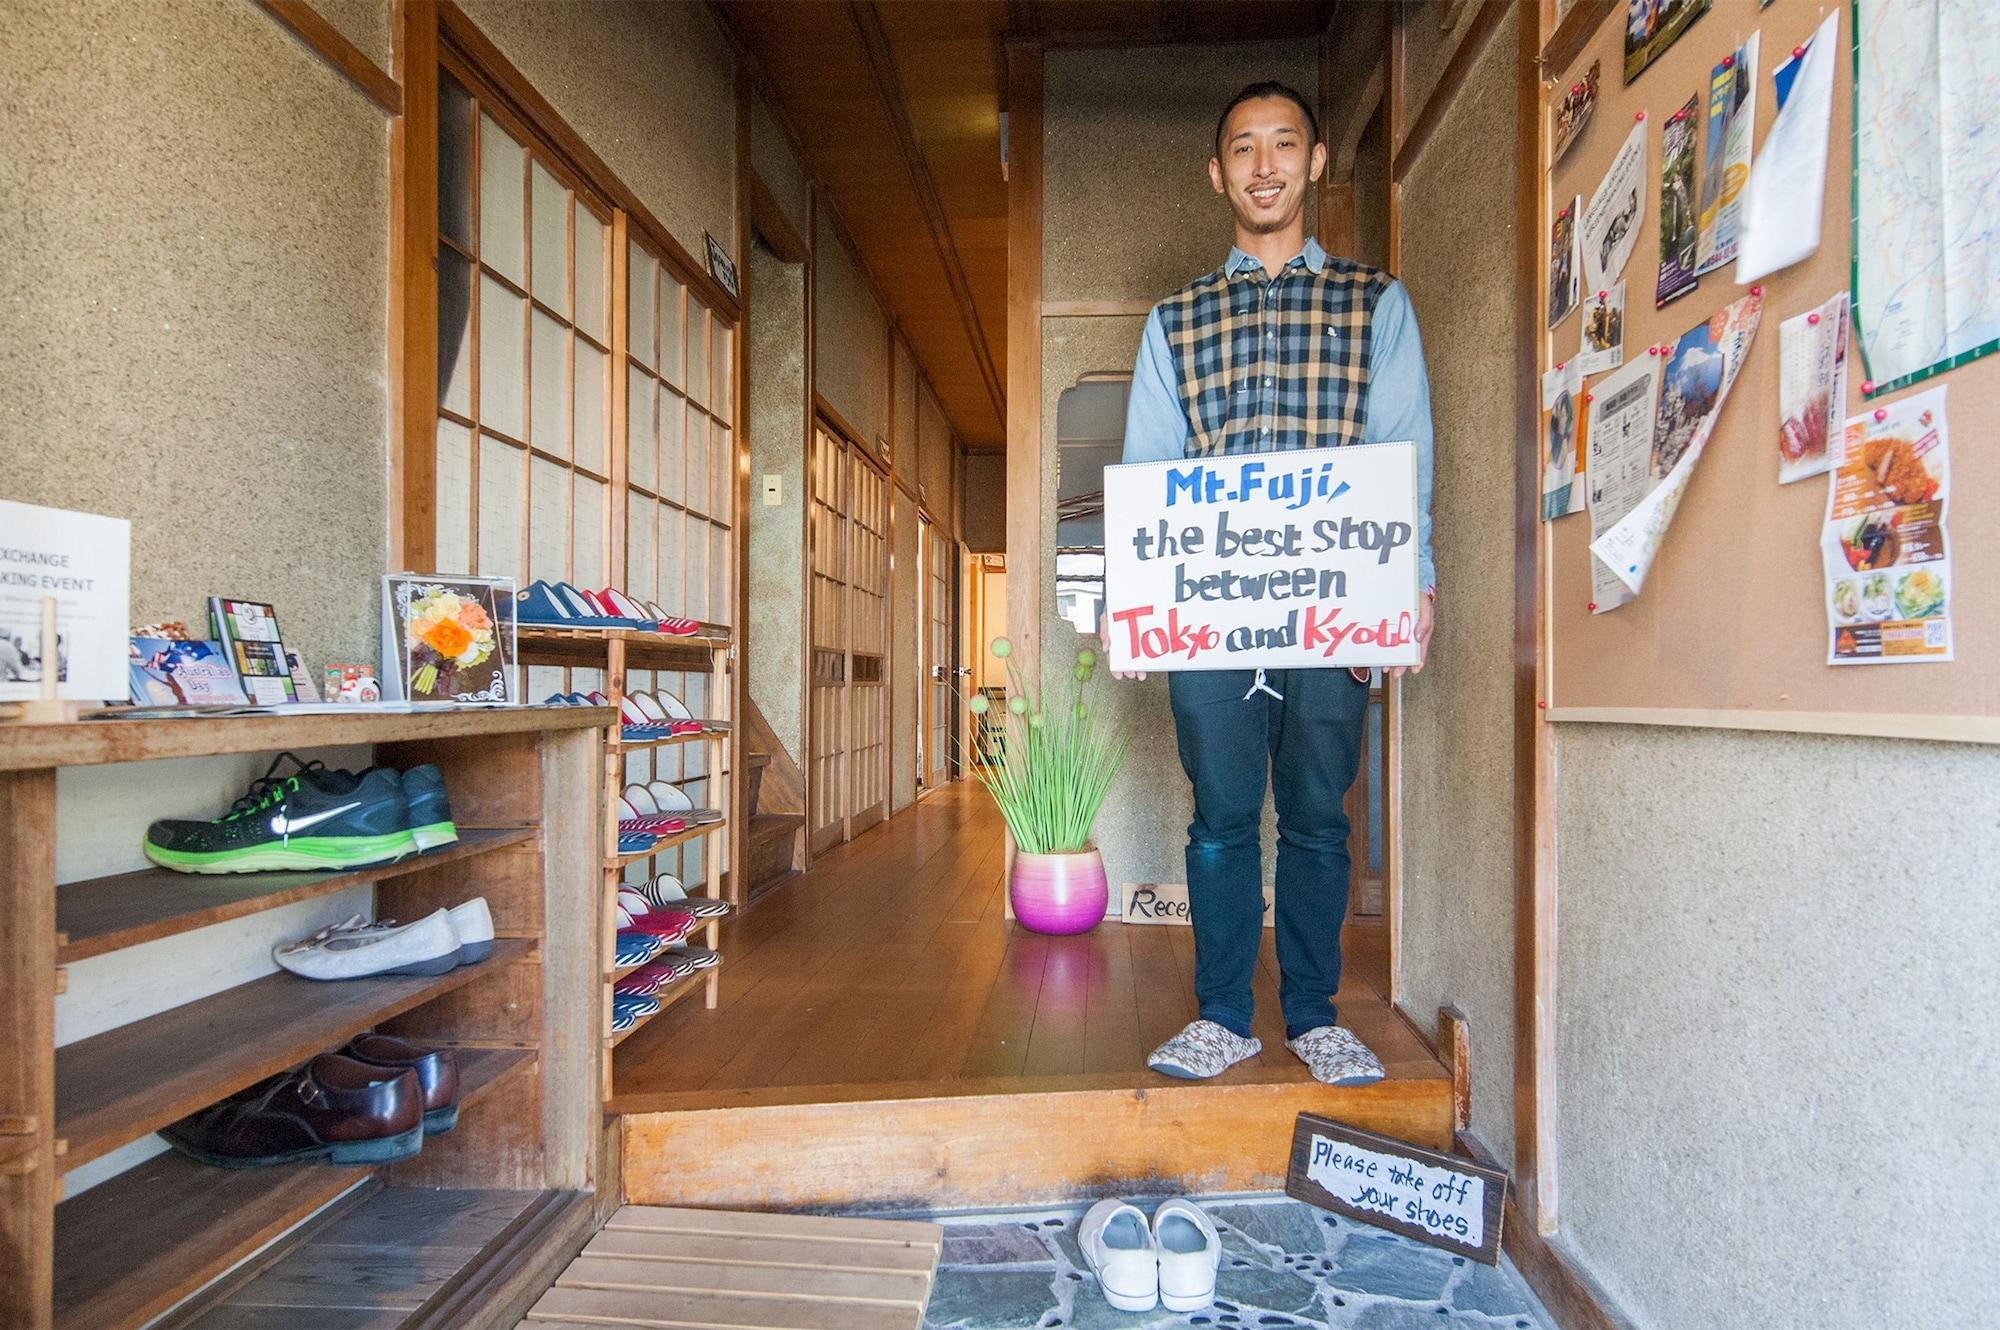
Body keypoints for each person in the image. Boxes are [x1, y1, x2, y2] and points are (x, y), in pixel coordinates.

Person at [1108, 81, 1436, 1086]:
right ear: (1218, 173)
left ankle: (1310, 1012)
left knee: (1317, 813)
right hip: (1206, 620)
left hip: (1333, 606)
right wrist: (1139, 607)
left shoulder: (1374, 303)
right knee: (1217, 815)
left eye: (1282, 144)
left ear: (1314, 160)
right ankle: (1219, 1013)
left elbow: (1402, 453)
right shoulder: (1174, 322)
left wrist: (1407, 583)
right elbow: (1150, 470)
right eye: (1242, 147)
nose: (1263, 165)